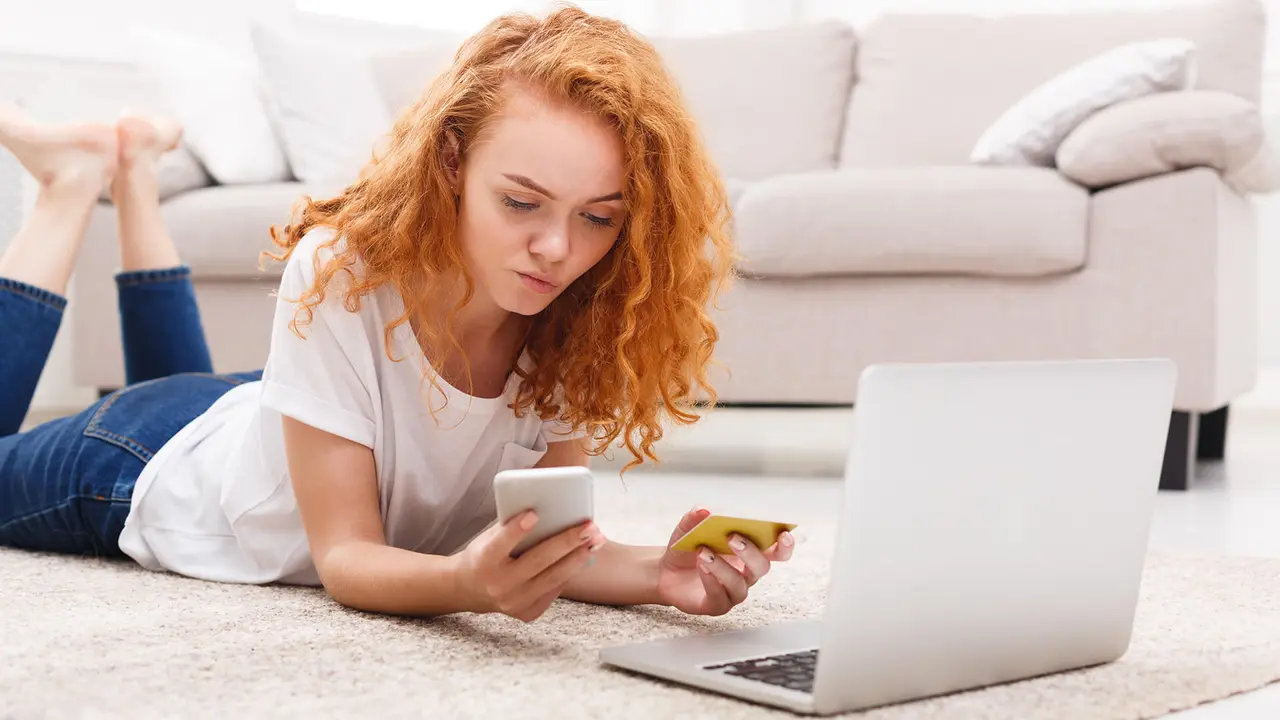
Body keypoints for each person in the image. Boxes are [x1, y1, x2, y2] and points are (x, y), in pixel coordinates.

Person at [0, 7, 795, 622]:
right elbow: (347, 557)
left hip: (267, 418)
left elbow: (554, 546)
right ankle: (72, 189)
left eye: (599, 217)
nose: (556, 247)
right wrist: (462, 582)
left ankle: (133, 176)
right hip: (143, 465)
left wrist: (663, 570)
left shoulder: (574, 311)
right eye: (521, 201)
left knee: (193, 386)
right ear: (452, 159)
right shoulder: (345, 272)